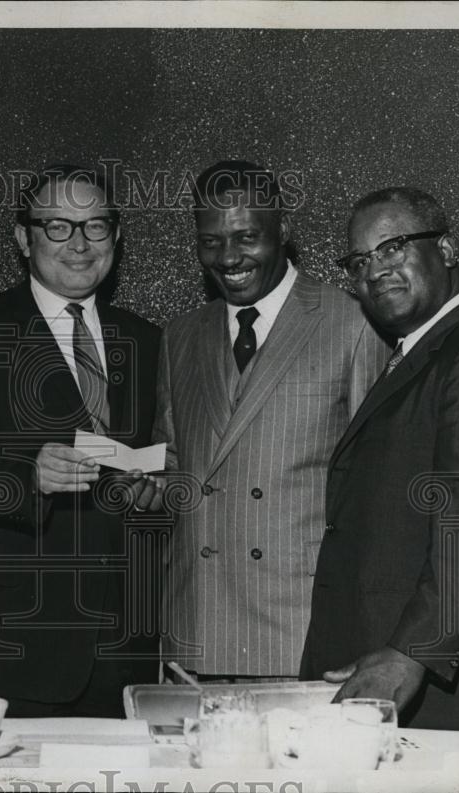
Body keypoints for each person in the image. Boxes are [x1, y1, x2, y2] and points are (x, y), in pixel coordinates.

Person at [0, 164, 162, 717]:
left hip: (127, 650)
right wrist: (27, 473)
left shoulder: (149, 341)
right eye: (57, 226)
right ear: (23, 238)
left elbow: (157, 470)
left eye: (95, 225)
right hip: (12, 647)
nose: (78, 243)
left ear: (116, 236)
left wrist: (153, 492)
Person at [300, 187, 459, 732]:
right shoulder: (425, 352)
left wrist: (411, 654)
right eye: (360, 261)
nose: (375, 269)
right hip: (389, 676)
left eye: (393, 246)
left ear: (447, 249)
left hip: (442, 694)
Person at [155, 160, 389, 682]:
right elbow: (175, 464)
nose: (229, 257)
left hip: (302, 636)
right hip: (195, 636)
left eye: (246, 236)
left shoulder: (352, 324)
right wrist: (135, 485)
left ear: (284, 232)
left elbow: (376, 494)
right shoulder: (180, 336)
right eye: (210, 241)